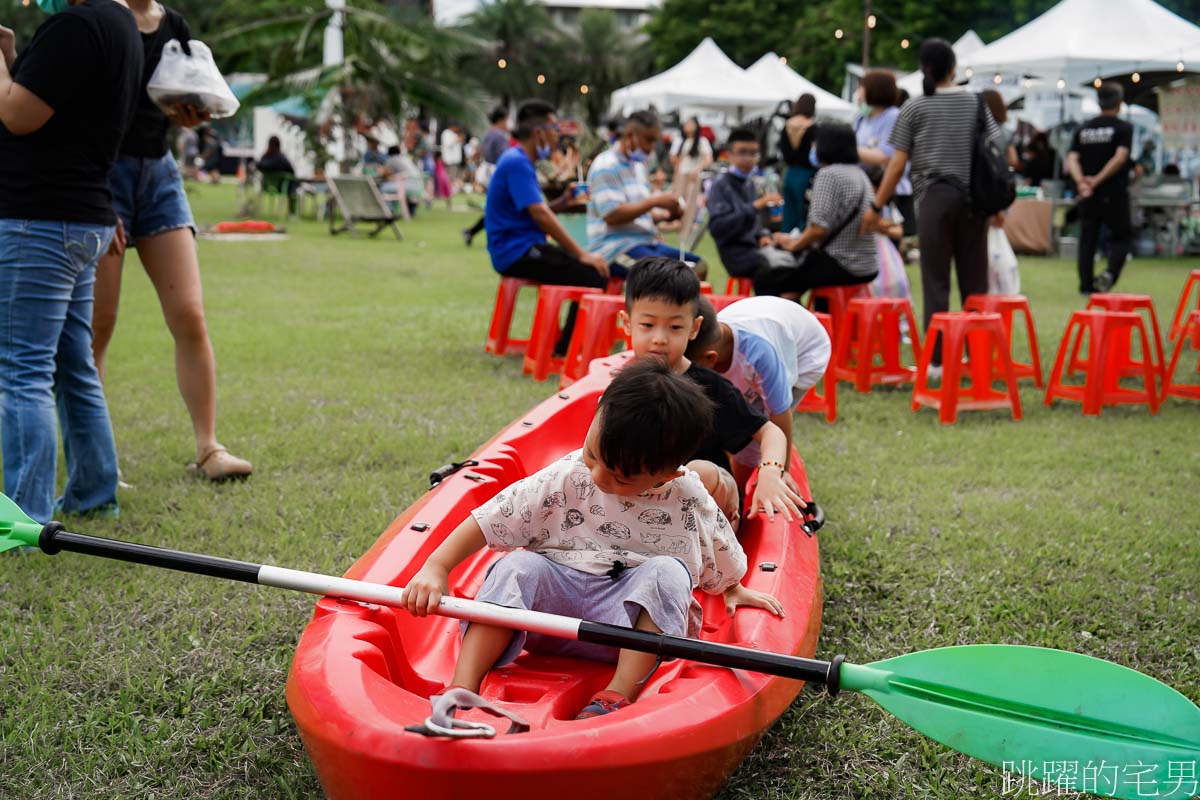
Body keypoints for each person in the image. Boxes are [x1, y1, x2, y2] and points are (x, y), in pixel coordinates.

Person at [401, 358, 784, 720]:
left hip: (626, 634)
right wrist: (437, 566)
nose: (600, 476)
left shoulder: (687, 496)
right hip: (546, 621)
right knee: (517, 566)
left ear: (667, 474)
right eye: (593, 456)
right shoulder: (567, 474)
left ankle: (617, 693)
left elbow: (718, 546)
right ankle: (462, 687)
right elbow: (492, 517)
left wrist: (732, 587)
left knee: (669, 572)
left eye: (622, 478)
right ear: (598, 412)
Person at [91, 0, 252, 484]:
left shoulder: (175, 24)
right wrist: (93, 195)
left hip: (157, 174)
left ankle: (209, 448)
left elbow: (184, 98)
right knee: (97, 327)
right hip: (103, 173)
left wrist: (190, 114)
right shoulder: (101, 18)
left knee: (190, 316)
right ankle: (96, 463)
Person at [0, 0, 143, 523]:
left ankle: (22, 518)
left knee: (22, 370)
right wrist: (12, 58)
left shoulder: (74, 26)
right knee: (70, 364)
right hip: (82, 216)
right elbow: (59, 108)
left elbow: (17, 114)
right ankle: (92, 490)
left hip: (41, 218)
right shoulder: (118, 24)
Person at [620, 258, 804, 529]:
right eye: (647, 325)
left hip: (711, 510)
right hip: (647, 506)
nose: (659, 338)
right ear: (627, 323)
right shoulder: (622, 386)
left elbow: (770, 432)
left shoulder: (708, 387)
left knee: (698, 472)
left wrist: (771, 472)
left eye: (675, 327)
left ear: (694, 328)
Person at [863, 37, 1003, 379]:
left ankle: (938, 361)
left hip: (934, 200)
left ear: (924, 69)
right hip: (974, 201)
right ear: (953, 68)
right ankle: (976, 356)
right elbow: (996, 146)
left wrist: (877, 205)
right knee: (975, 282)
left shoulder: (915, 108)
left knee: (936, 283)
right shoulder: (976, 102)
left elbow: (896, 165)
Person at [485, 100, 609, 355]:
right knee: (592, 274)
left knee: (589, 270)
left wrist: (562, 203)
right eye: (554, 128)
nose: (557, 135)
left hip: (519, 248)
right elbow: (539, 214)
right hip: (516, 252)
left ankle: (570, 343)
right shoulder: (517, 161)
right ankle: (567, 349)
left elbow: (533, 211)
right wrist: (581, 253)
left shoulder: (518, 160)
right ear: (539, 131)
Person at [685, 296, 830, 483]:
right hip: (770, 320)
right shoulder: (708, 341)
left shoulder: (759, 356)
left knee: (754, 431)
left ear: (710, 358)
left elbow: (780, 414)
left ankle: (743, 494)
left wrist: (781, 472)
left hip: (807, 350)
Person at [754, 123, 878, 300]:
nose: (812, 148)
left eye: (814, 143)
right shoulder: (859, 174)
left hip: (842, 263)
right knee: (796, 276)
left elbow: (818, 229)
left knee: (767, 277)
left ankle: (787, 323)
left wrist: (793, 244)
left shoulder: (828, 174)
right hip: (867, 265)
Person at [586, 110, 707, 278]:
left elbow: (641, 215)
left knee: (698, 266)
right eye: (649, 140)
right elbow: (612, 215)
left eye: (654, 141)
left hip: (646, 244)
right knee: (671, 274)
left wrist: (669, 213)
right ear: (630, 135)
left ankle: (684, 304)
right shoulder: (606, 165)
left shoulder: (637, 167)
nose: (651, 147)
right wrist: (655, 201)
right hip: (613, 249)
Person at [1067, 82, 1133, 294]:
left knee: (1088, 239)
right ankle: (1110, 273)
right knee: (1121, 236)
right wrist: (1097, 180)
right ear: (1119, 103)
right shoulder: (1123, 128)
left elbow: (1072, 159)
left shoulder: (1083, 129)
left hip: (1088, 194)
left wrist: (1081, 183)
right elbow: (1120, 157)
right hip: (1113, 192)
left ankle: (1086, 285)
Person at [706, 127, 781, 281]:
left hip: (755, 250)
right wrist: (754, 207)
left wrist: (764, 236)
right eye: (742, 152)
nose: (748, 158)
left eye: (753, 153)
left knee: (791, 261)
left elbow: (756, 225)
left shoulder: (749, 183)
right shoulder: (721, 185)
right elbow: (718, 228)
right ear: (729, 155)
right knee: (776, 266)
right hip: (736, 255)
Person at [855, 71, 915, 236]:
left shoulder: (893, 117)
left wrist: (849, 149)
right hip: (866, 187)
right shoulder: (861, 118)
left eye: (861, 88)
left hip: (890, 192)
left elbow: (886, 156)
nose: (858, 93)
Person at [463, 106, 509, 246]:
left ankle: (471, 232)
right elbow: (504, 157)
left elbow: (480, 151)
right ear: (502, 120)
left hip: (488, 174)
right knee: (499, 208)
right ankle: (475, 232)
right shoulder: (500, 136)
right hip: (497, 174)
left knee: (497, 208)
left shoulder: (489, 133)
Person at [779, 94, 817, 232]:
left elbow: (782, 149)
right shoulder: (813, 127)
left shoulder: (787, 125)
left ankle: (786, 235)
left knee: (788, 209)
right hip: (806, 172)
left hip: (789, 172)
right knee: (804, 210)